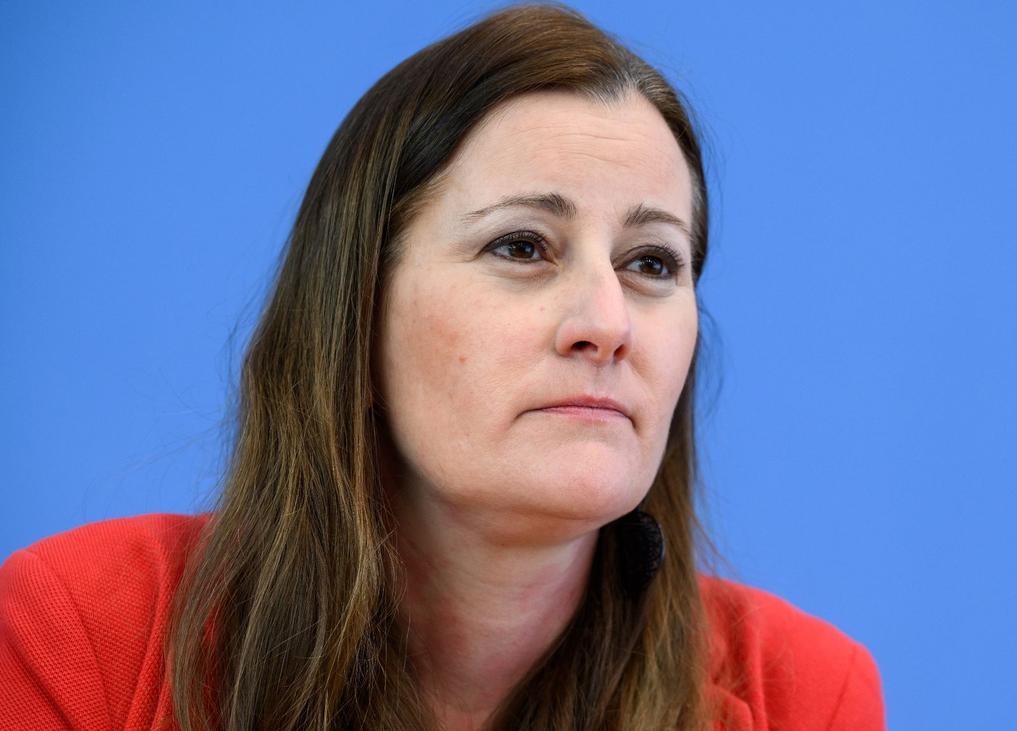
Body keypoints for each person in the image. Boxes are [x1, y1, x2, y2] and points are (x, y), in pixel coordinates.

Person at [0, 4, 884, 729]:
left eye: (651, 262)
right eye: (523, 246)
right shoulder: (79, 634)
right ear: (353, 311)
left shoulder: (806, 694)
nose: (608, 324)